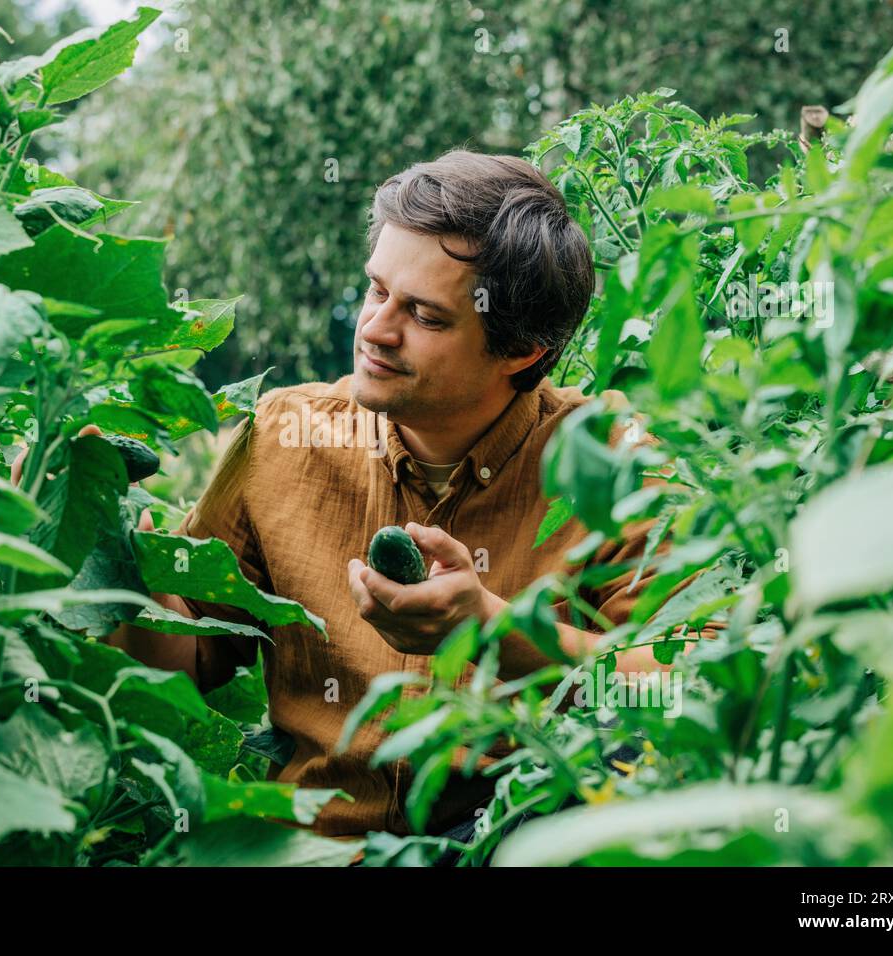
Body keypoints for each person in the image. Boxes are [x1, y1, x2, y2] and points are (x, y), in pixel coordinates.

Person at [103, 150, 696, 847]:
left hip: (511, 846)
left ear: (523, 352)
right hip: (309, 854)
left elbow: (690, 687)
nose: (377, 330)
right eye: (376, 290)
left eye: (426, 316)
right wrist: (111, 535)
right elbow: (189, 660)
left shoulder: (614, 463)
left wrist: (491, 632)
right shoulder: (285, 434)